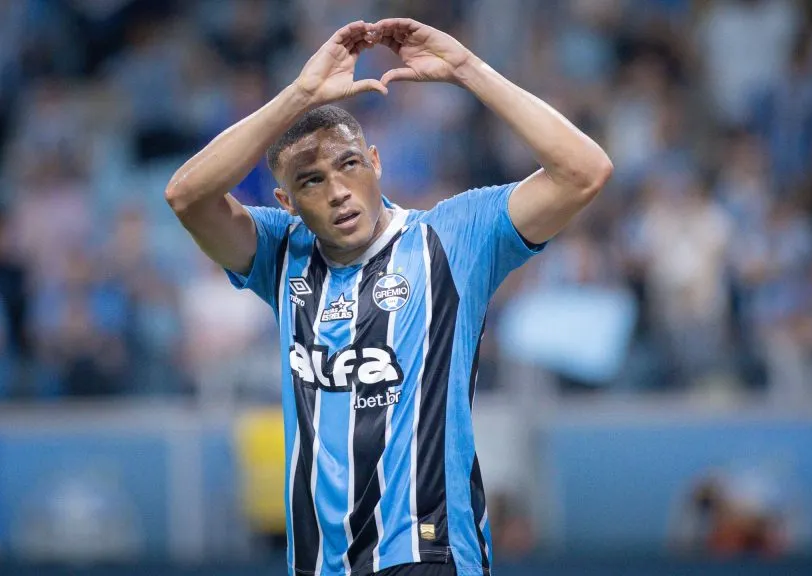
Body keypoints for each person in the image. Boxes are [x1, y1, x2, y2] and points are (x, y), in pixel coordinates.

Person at [166, 18, 612, 576]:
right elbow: (186, 197)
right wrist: (300, 95)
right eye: (311, 181)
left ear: (374, 163)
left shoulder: (451, 238)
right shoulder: (280, 253)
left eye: (349, 164)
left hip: (427, 551)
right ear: (285, 200)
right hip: (319, 564)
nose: (338, 192)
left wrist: (468, 70)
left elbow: (585, 171)